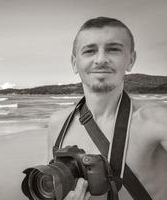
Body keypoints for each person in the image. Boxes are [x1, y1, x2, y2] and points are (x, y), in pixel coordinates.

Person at [47, 17, 167, 200]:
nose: (101, 59)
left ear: (131, 60)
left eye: (113, 49)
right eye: (89, 51)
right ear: (74, 63)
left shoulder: (158, 120)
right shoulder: (58, 123)